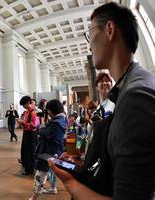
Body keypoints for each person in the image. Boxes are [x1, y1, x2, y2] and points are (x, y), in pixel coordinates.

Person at [49, 2, 155, 199]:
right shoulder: (131, 85)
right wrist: (83, 164)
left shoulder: (135, 97)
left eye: (90, 33)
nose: (89, 44)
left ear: (110, 29)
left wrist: (70, 182)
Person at [29, 99, 67, 200]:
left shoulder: (56, 123)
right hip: (55, 151)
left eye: (48, 110)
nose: (47, 113)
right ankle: (53, 188)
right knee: (51, 171)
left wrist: (42, 124)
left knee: (40, 174)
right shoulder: (62, 119)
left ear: (51, 110)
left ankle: (34, 197)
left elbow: (44, 133)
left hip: (48, 152)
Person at [17, 96, 39, 175]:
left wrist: (23, 123)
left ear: (28, 103)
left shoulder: (33, 112)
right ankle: (27, 167)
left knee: (31, 151)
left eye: (23, 105)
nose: (23, 107)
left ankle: (30, 169)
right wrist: (22, 123)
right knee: (25, 151)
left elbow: (34, 125)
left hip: (31, 134)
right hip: (26, 133)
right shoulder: (26, 112)